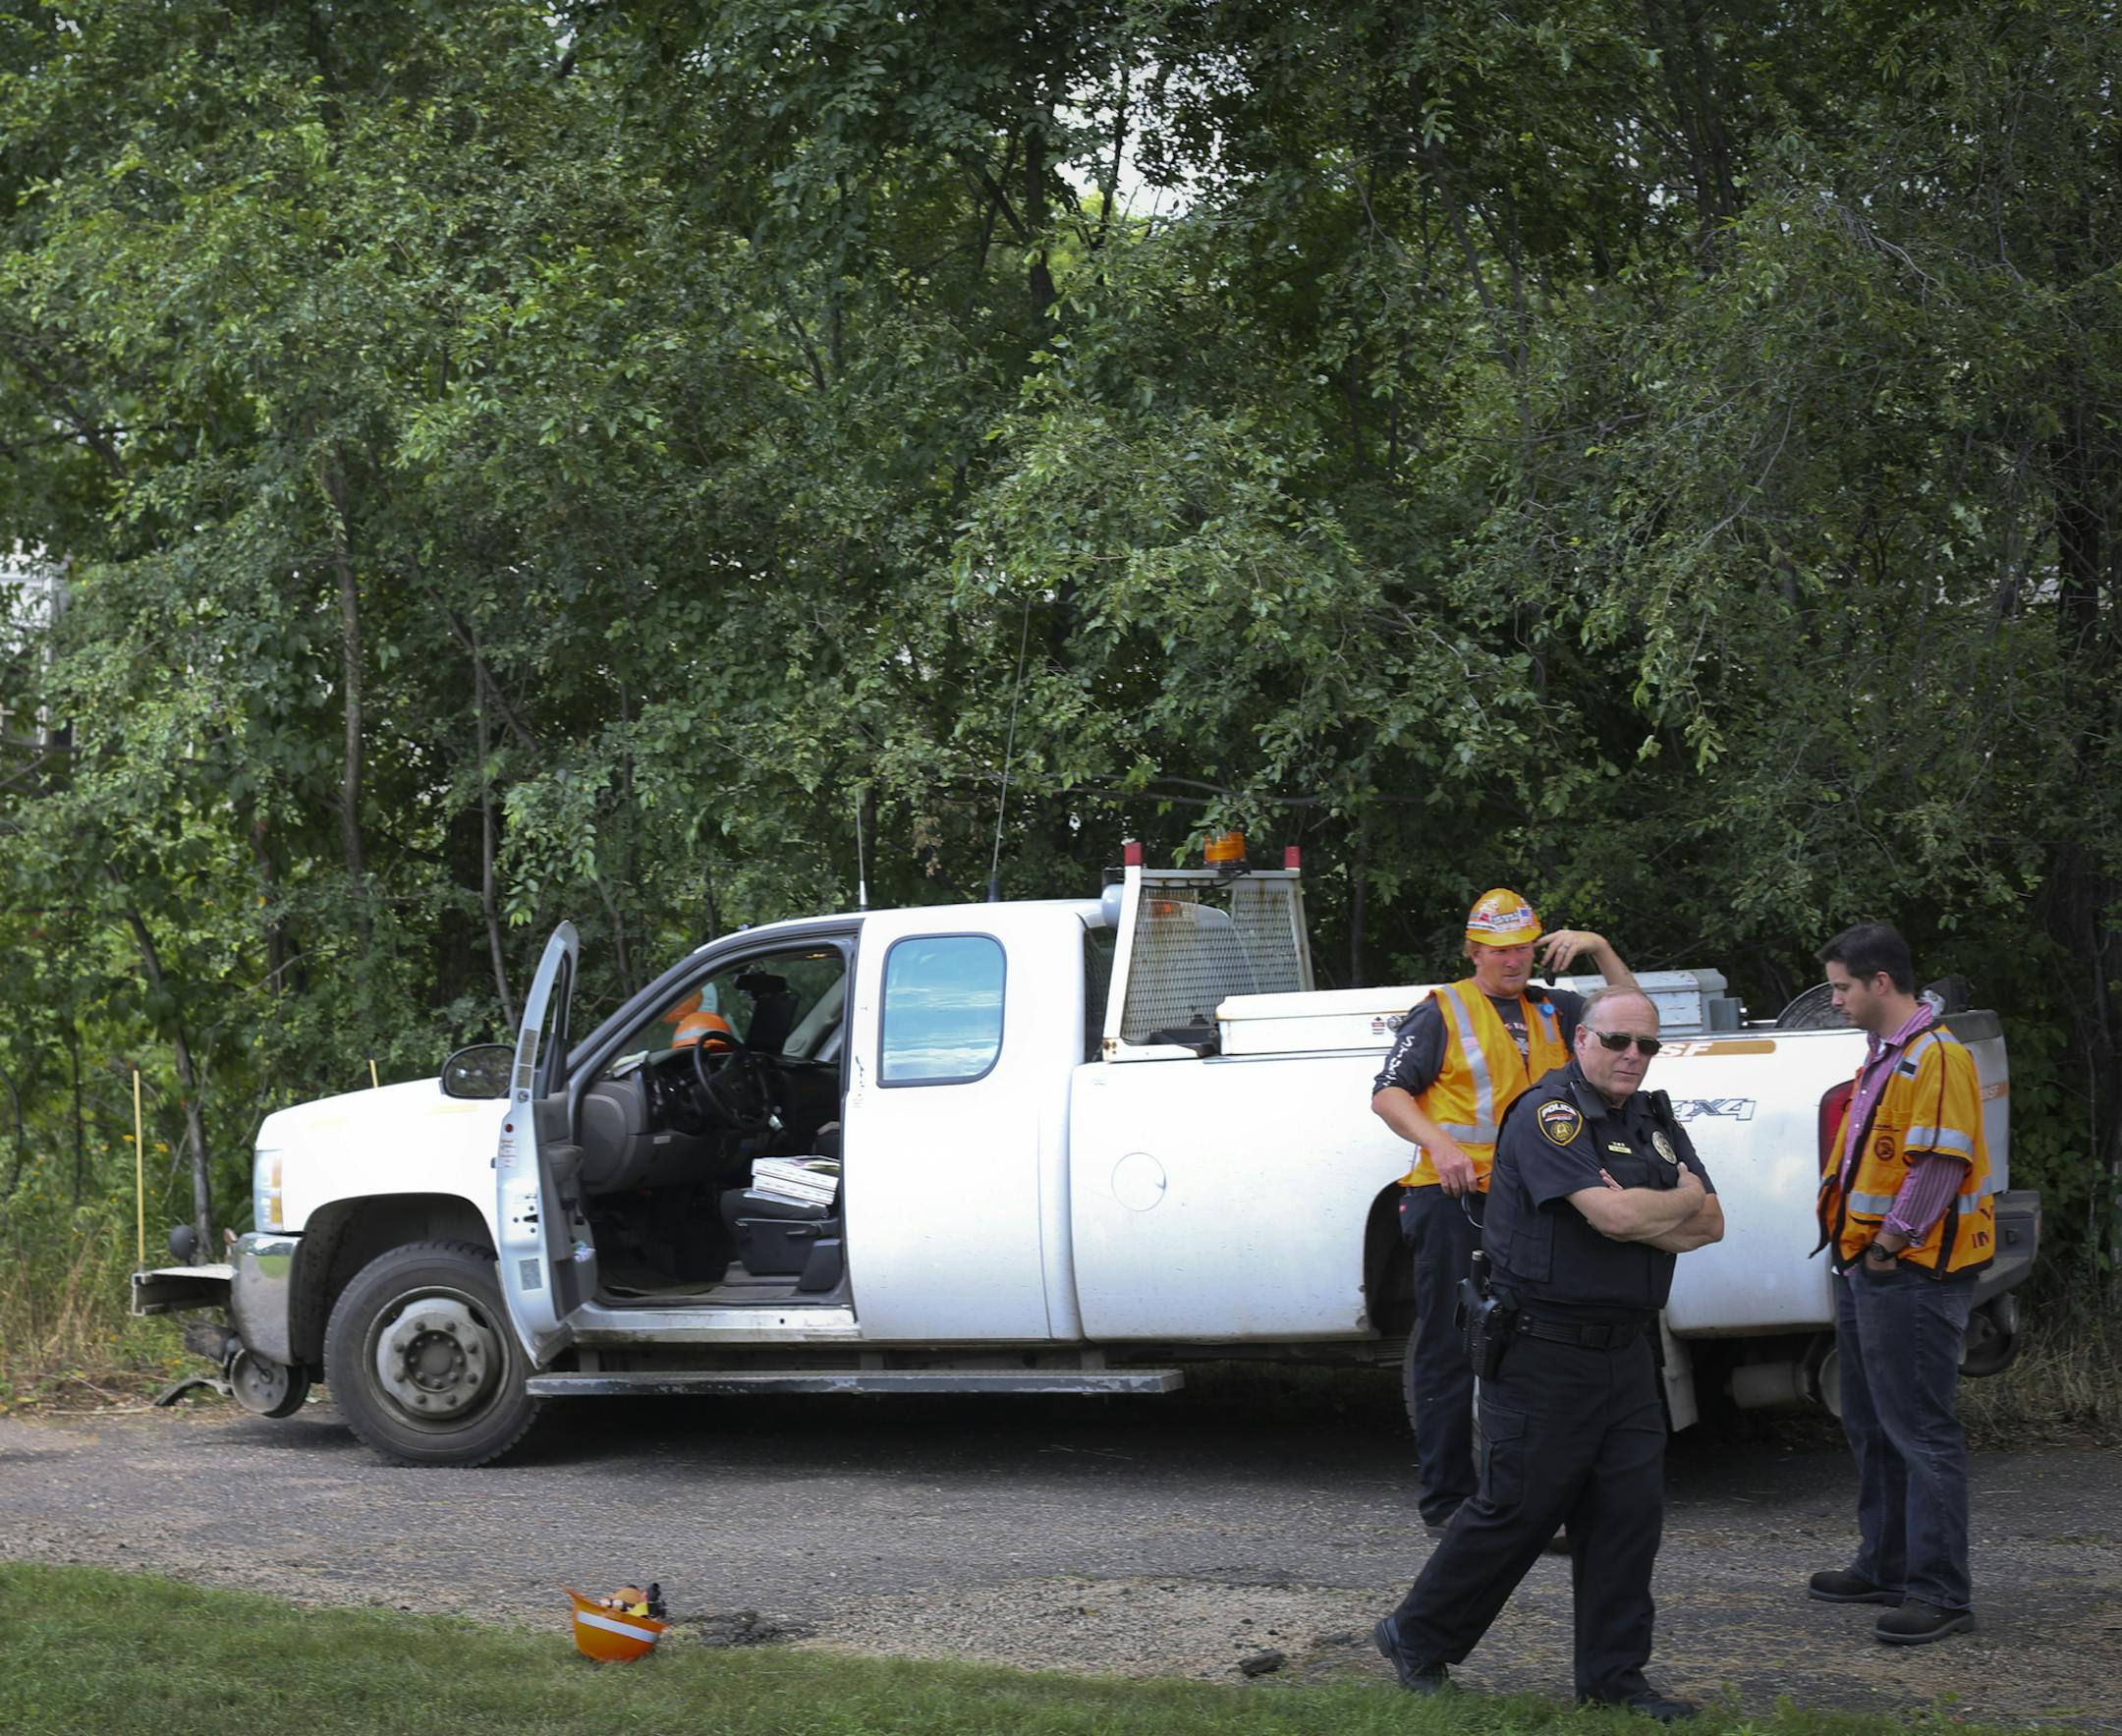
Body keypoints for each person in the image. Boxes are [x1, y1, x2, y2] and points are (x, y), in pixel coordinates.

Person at [1373, 986, 1722, 1720]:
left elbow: (1711, 1223)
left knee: (1628, 1518)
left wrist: (1649, 1214)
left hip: (1628, 1353)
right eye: (1619, 1041)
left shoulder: (1652, 1118)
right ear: (1581, 1040)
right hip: (1543, 1352)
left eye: (1647, 1046)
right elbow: (1615, 1213)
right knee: (1516, 1513)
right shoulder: (1546, 1115)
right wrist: (1671, 1200)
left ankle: (1614, 1679)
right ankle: (1414, 1635)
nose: (1633, 1056)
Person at [1370, 889, 1637, 1534]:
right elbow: (1387, 1094)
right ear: (1474, 950)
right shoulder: (1442, 1011)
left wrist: (1600, 947)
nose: (1512, 959)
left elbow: (1635, 1018)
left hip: (1534, 1201)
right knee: (1451, 1345)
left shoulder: (1557, 1009)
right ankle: (1447, 1504)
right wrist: (1439, 1142)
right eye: (1498, 949)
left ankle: (1528, 1502)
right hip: (1452, 1198)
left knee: (1536, 1349)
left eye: (1522, 945)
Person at [1809, 923, 1993, 1645]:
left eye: (1842, 986)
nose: (1834, 1000)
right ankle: (1884, 1563)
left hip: (1910, 1271)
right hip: (1868, 1266)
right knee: (1872, 1422)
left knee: (1920, 1430)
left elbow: (1939, 1167)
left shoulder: (1935, 1057)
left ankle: (1941, 1592)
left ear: (1881, 982)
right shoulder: (1889, 1054)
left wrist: (1888, 1244)